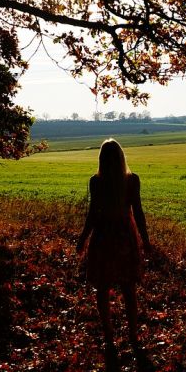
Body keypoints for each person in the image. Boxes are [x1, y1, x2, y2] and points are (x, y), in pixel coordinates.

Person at [76, 139, 151, 354]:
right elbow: (138, 212)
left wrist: (83, 239)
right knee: (129, 289)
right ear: (121, 157)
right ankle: (133, 334)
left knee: (103, 288)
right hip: (125, 236)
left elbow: (92, 214)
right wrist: (145, 240)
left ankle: (109, 336)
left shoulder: (96, 182)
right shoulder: (132, 180)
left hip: (103, 237)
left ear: (101, 159)